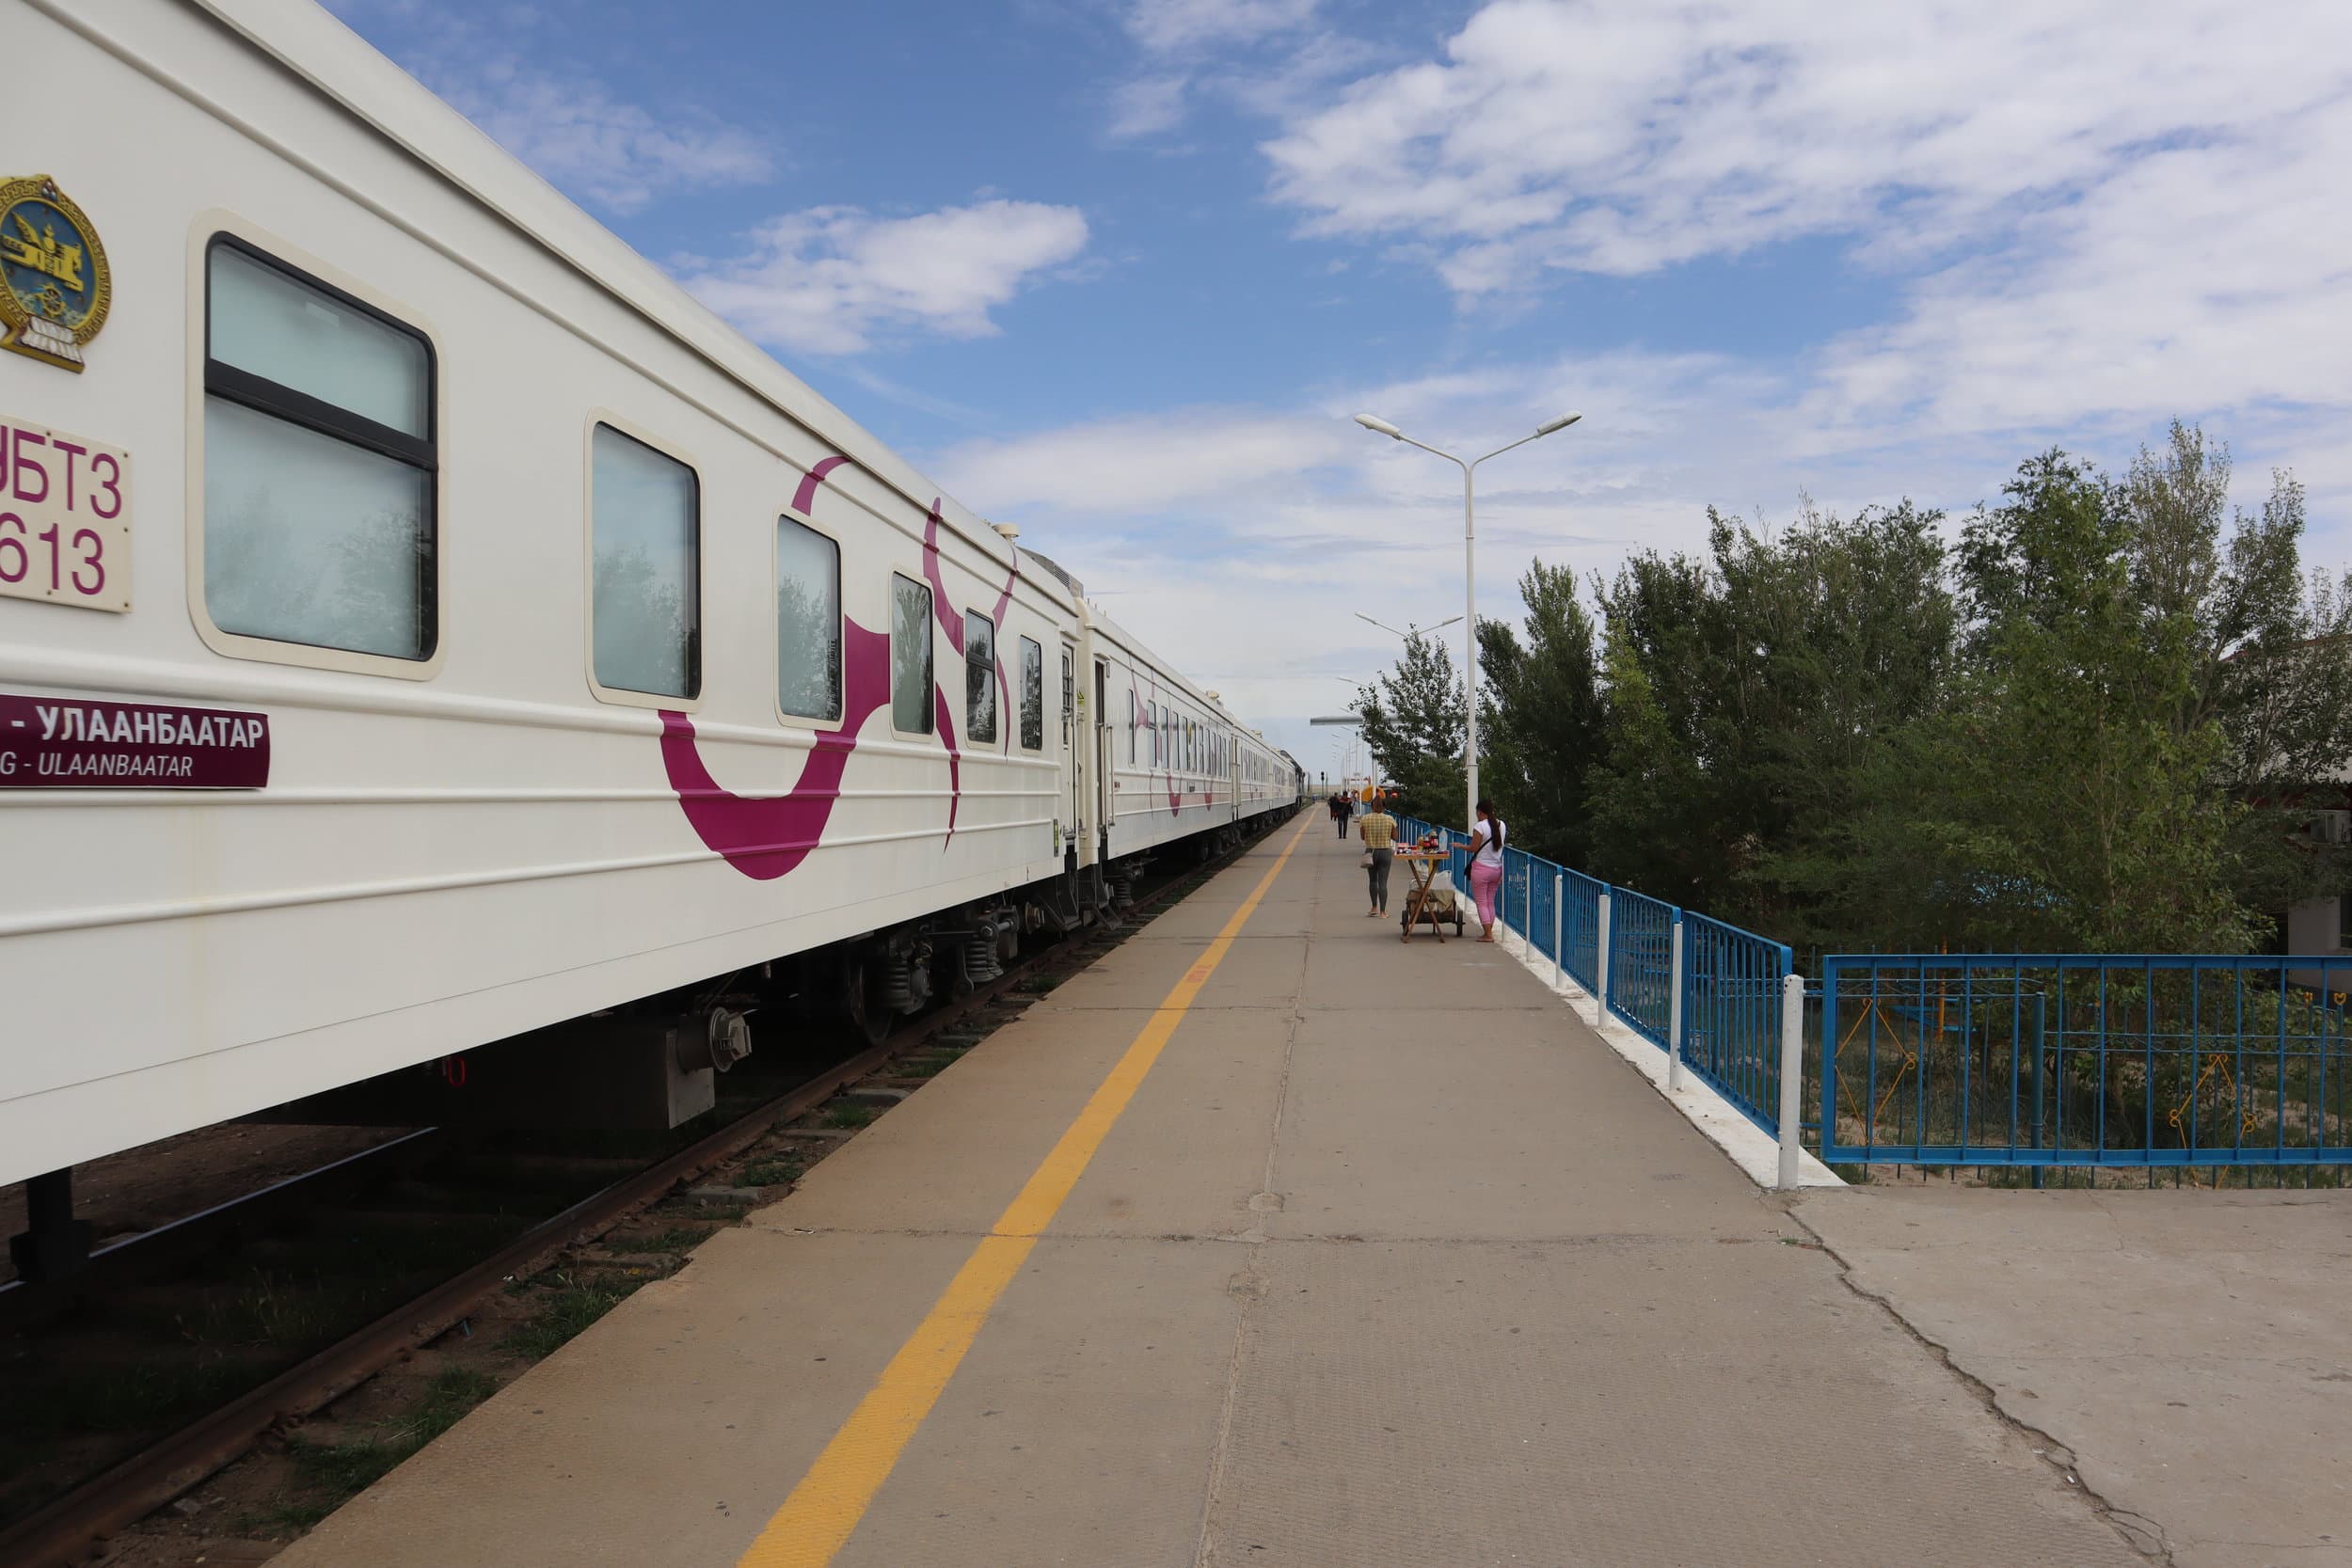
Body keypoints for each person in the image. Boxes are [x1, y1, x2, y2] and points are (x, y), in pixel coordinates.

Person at [1466, 799, 1506, 942]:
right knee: (1490, 901)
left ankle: (1488, 935)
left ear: (1480, 812)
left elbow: (1473, 848)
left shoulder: (1480, 827)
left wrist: (1459, 845)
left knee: (1481, 902)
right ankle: (1488, 931)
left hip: (1481, 869)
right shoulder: (1501, 825)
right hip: (1497, 869)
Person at [1358, 798, 1397, 918]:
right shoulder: (1390, 819)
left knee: (1373, 881)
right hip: (1385, 852)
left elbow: (1362, 837)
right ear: (1384, 807)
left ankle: (1374, 907)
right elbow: (1395, 837)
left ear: (1371, 806)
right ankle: (1383, 912)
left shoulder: (1364, 819)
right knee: (1383, 882)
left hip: (1371, 852)